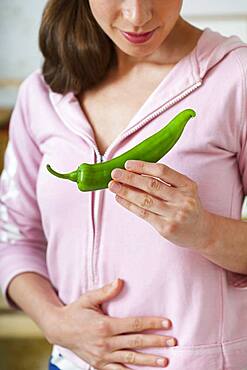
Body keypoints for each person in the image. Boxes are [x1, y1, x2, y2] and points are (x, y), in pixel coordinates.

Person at [1, 0, 247, 369]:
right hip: (69, 362)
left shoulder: (236, 76)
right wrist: (56, 323)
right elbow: (15, 238)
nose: (138, 16)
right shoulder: (43, 91)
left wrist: (206, 231)